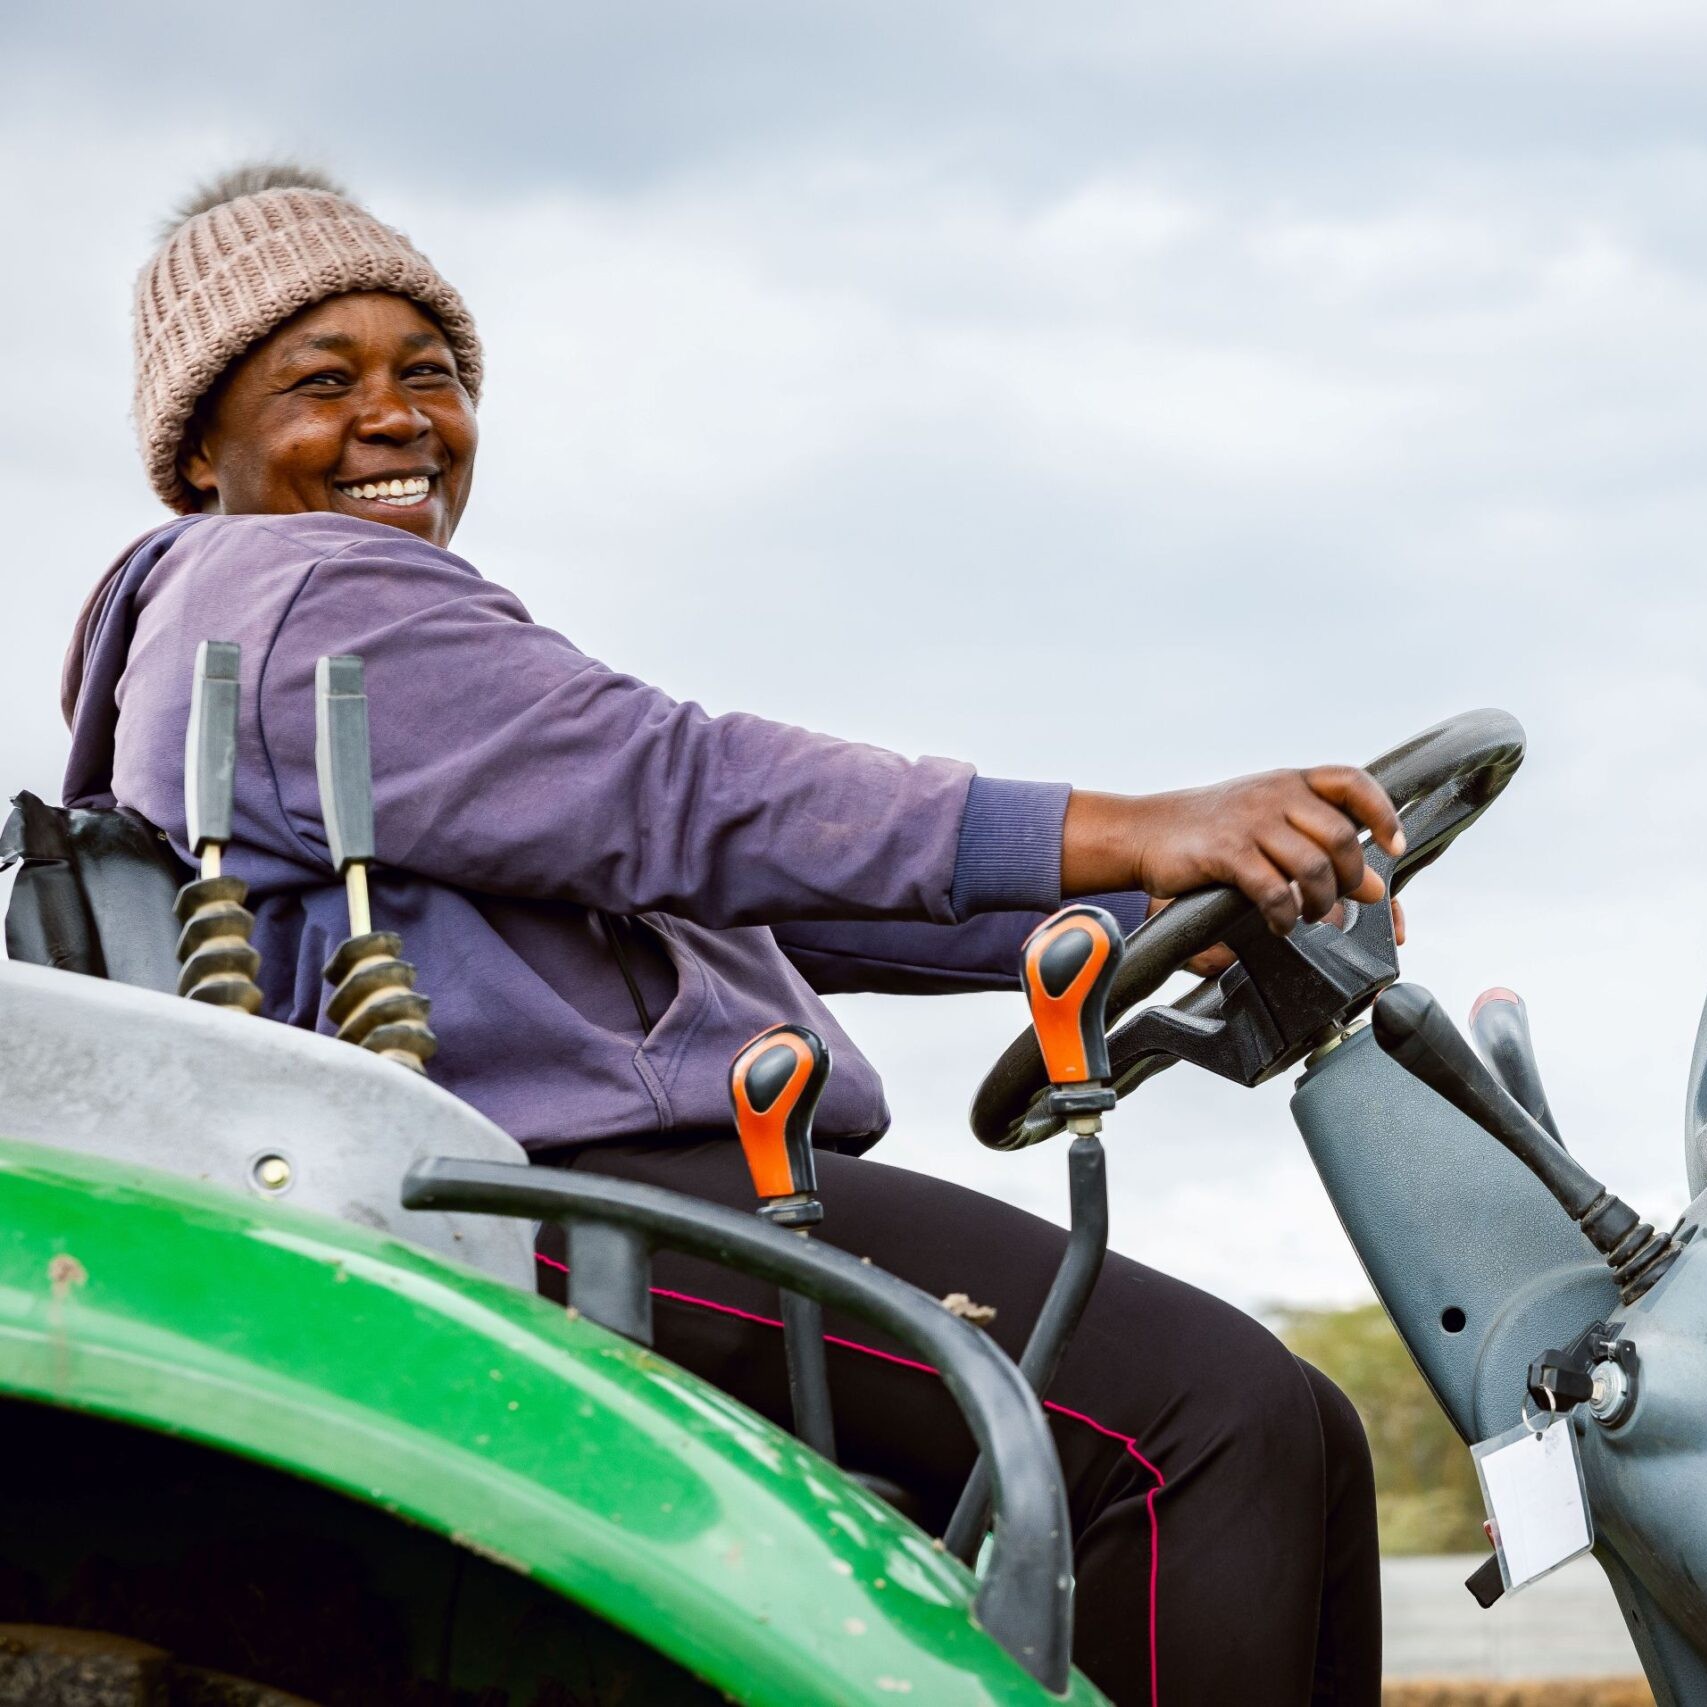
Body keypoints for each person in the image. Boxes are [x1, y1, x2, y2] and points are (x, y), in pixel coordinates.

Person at [63, 165, 1398, 1705]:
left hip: (596, 1182)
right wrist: (1127, 824)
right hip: (561, 1205)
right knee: (1204, 1423)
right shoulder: (294, 592)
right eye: (320, 382)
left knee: (1305, 1423)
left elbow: (721, 876)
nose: (396, 416)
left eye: (427, 372)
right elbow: (686, 787)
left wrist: (1151, 914)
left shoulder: (322, 632)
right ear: (198, 452)